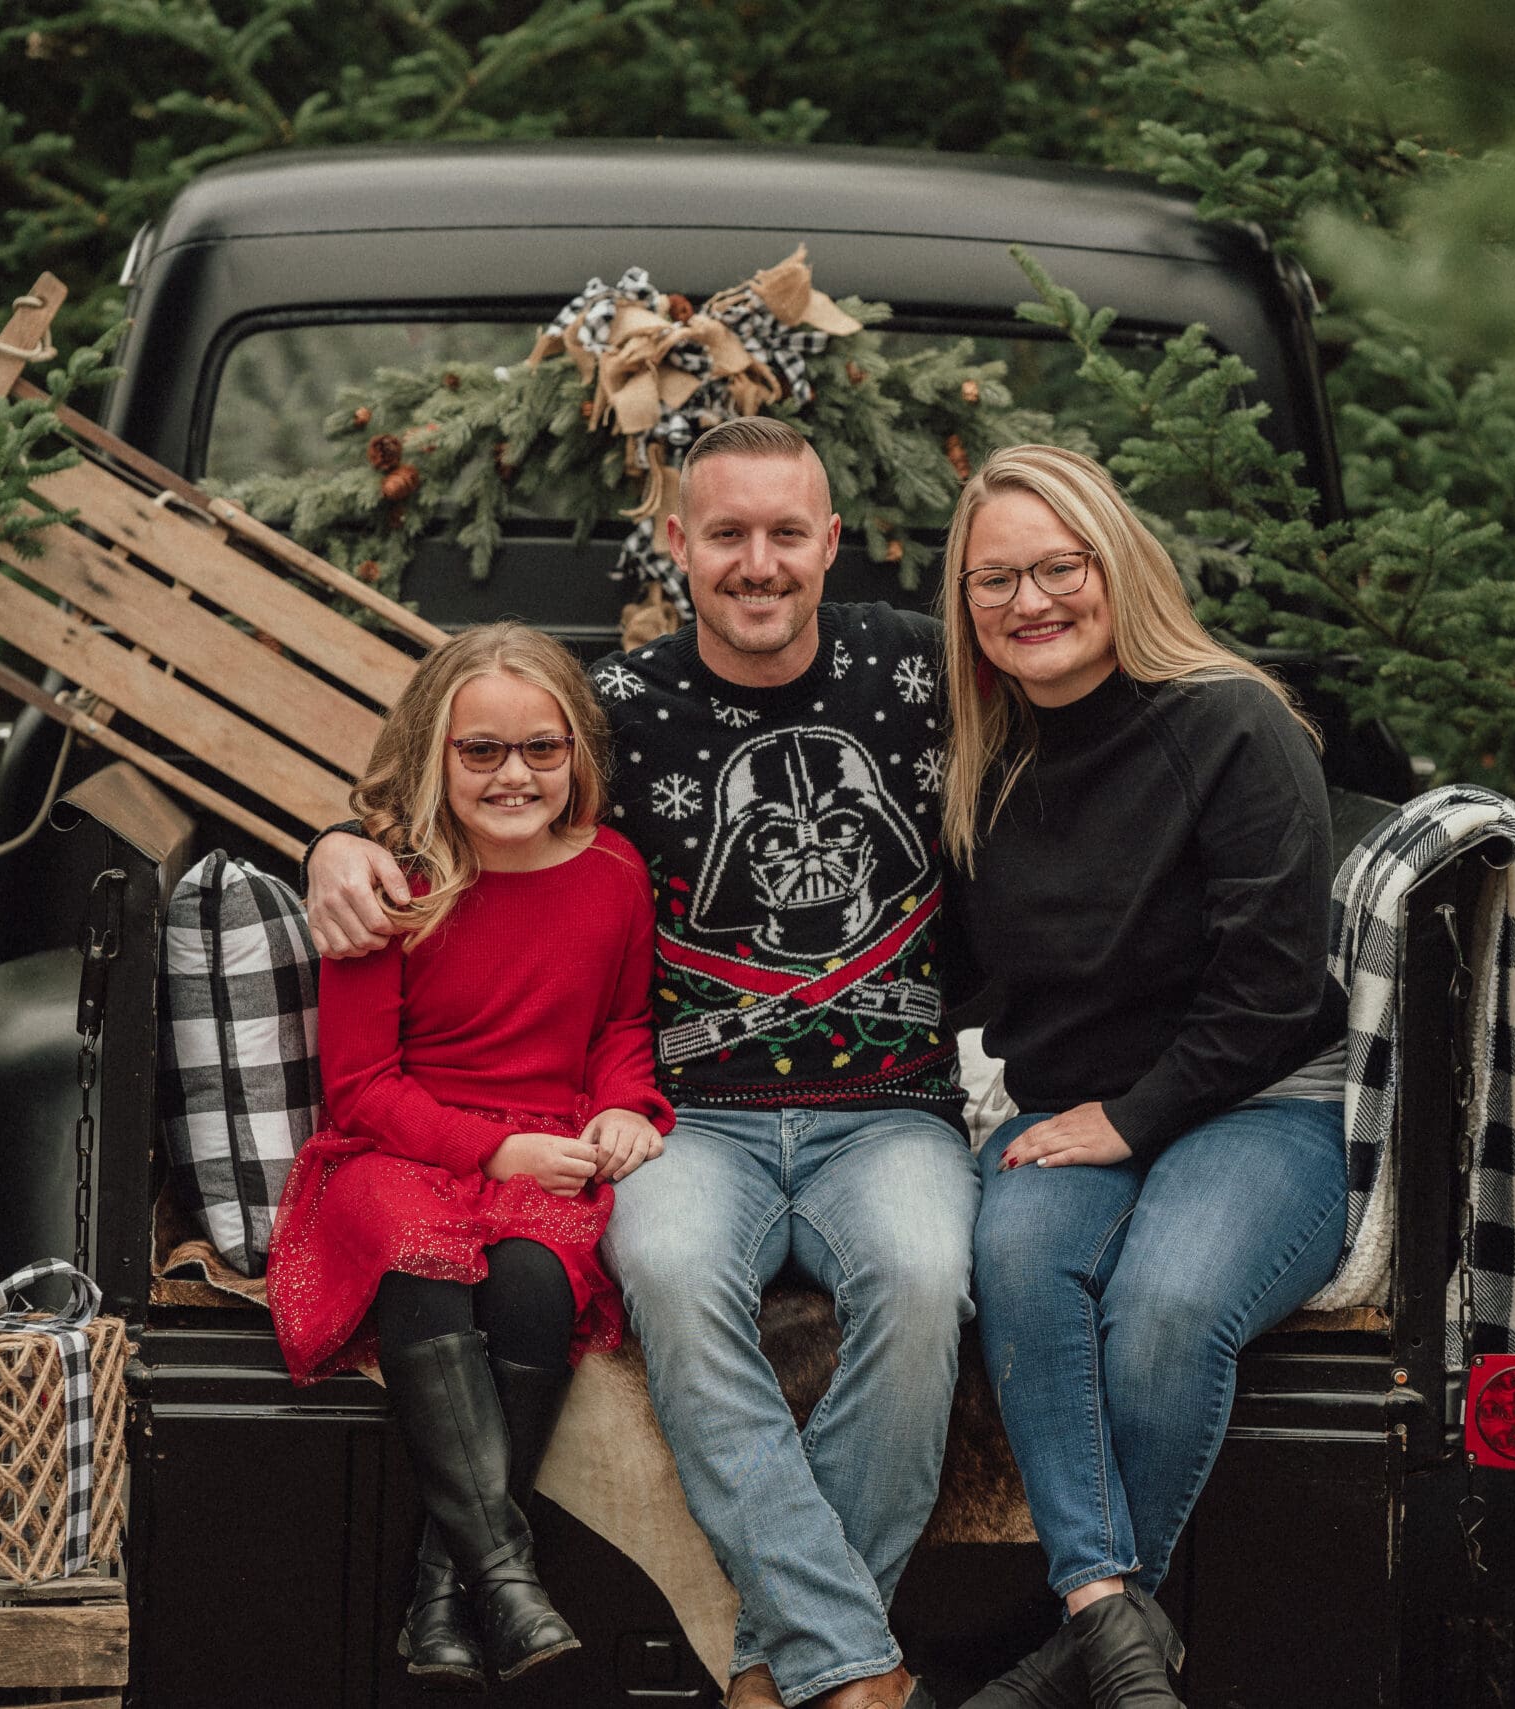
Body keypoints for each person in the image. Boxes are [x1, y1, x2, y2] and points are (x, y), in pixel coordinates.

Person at [306, 415, 971, 1709]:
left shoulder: (920, 672)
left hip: (888, 1112)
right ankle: (859, 1670)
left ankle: (791, 1665)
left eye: (788, 533)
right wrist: (339, 839)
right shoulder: (614, 707)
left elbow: (1078, 686)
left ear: (833, 544)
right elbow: (474, 776)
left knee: (928, 1275)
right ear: (677, 547)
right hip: (692, 1122)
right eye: (727, 534)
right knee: (666, 1268)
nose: (759, 562)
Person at [939, 447, 1351, 1709]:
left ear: (1118, 565)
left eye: (1057, 567)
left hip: (1267, 1097)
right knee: (1013, 1257)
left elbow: (1274, 985)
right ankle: (1112, 1632)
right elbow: (951, 974)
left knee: (1166, 1308)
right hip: (1075, 1104)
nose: (1029, 601)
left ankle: (1071, 1660)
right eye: (994, 578)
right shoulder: (983, 756)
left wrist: (1133, 1120)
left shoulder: (1232, 723)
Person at [264, 621, 672, 1691]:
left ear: (578, 751)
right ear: (434, 755)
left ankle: (445, 1594)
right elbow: (361, 1087)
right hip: (398, 1146)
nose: (513, 774)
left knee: (537, 1279)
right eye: (479, 750)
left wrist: (629, 1107)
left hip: (544, 1151)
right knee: (420, 1253)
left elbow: (622, 1028)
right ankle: (506, 1573)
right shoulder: (392, 888)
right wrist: (496, 1152)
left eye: (542, 747)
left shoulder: (616, 873)